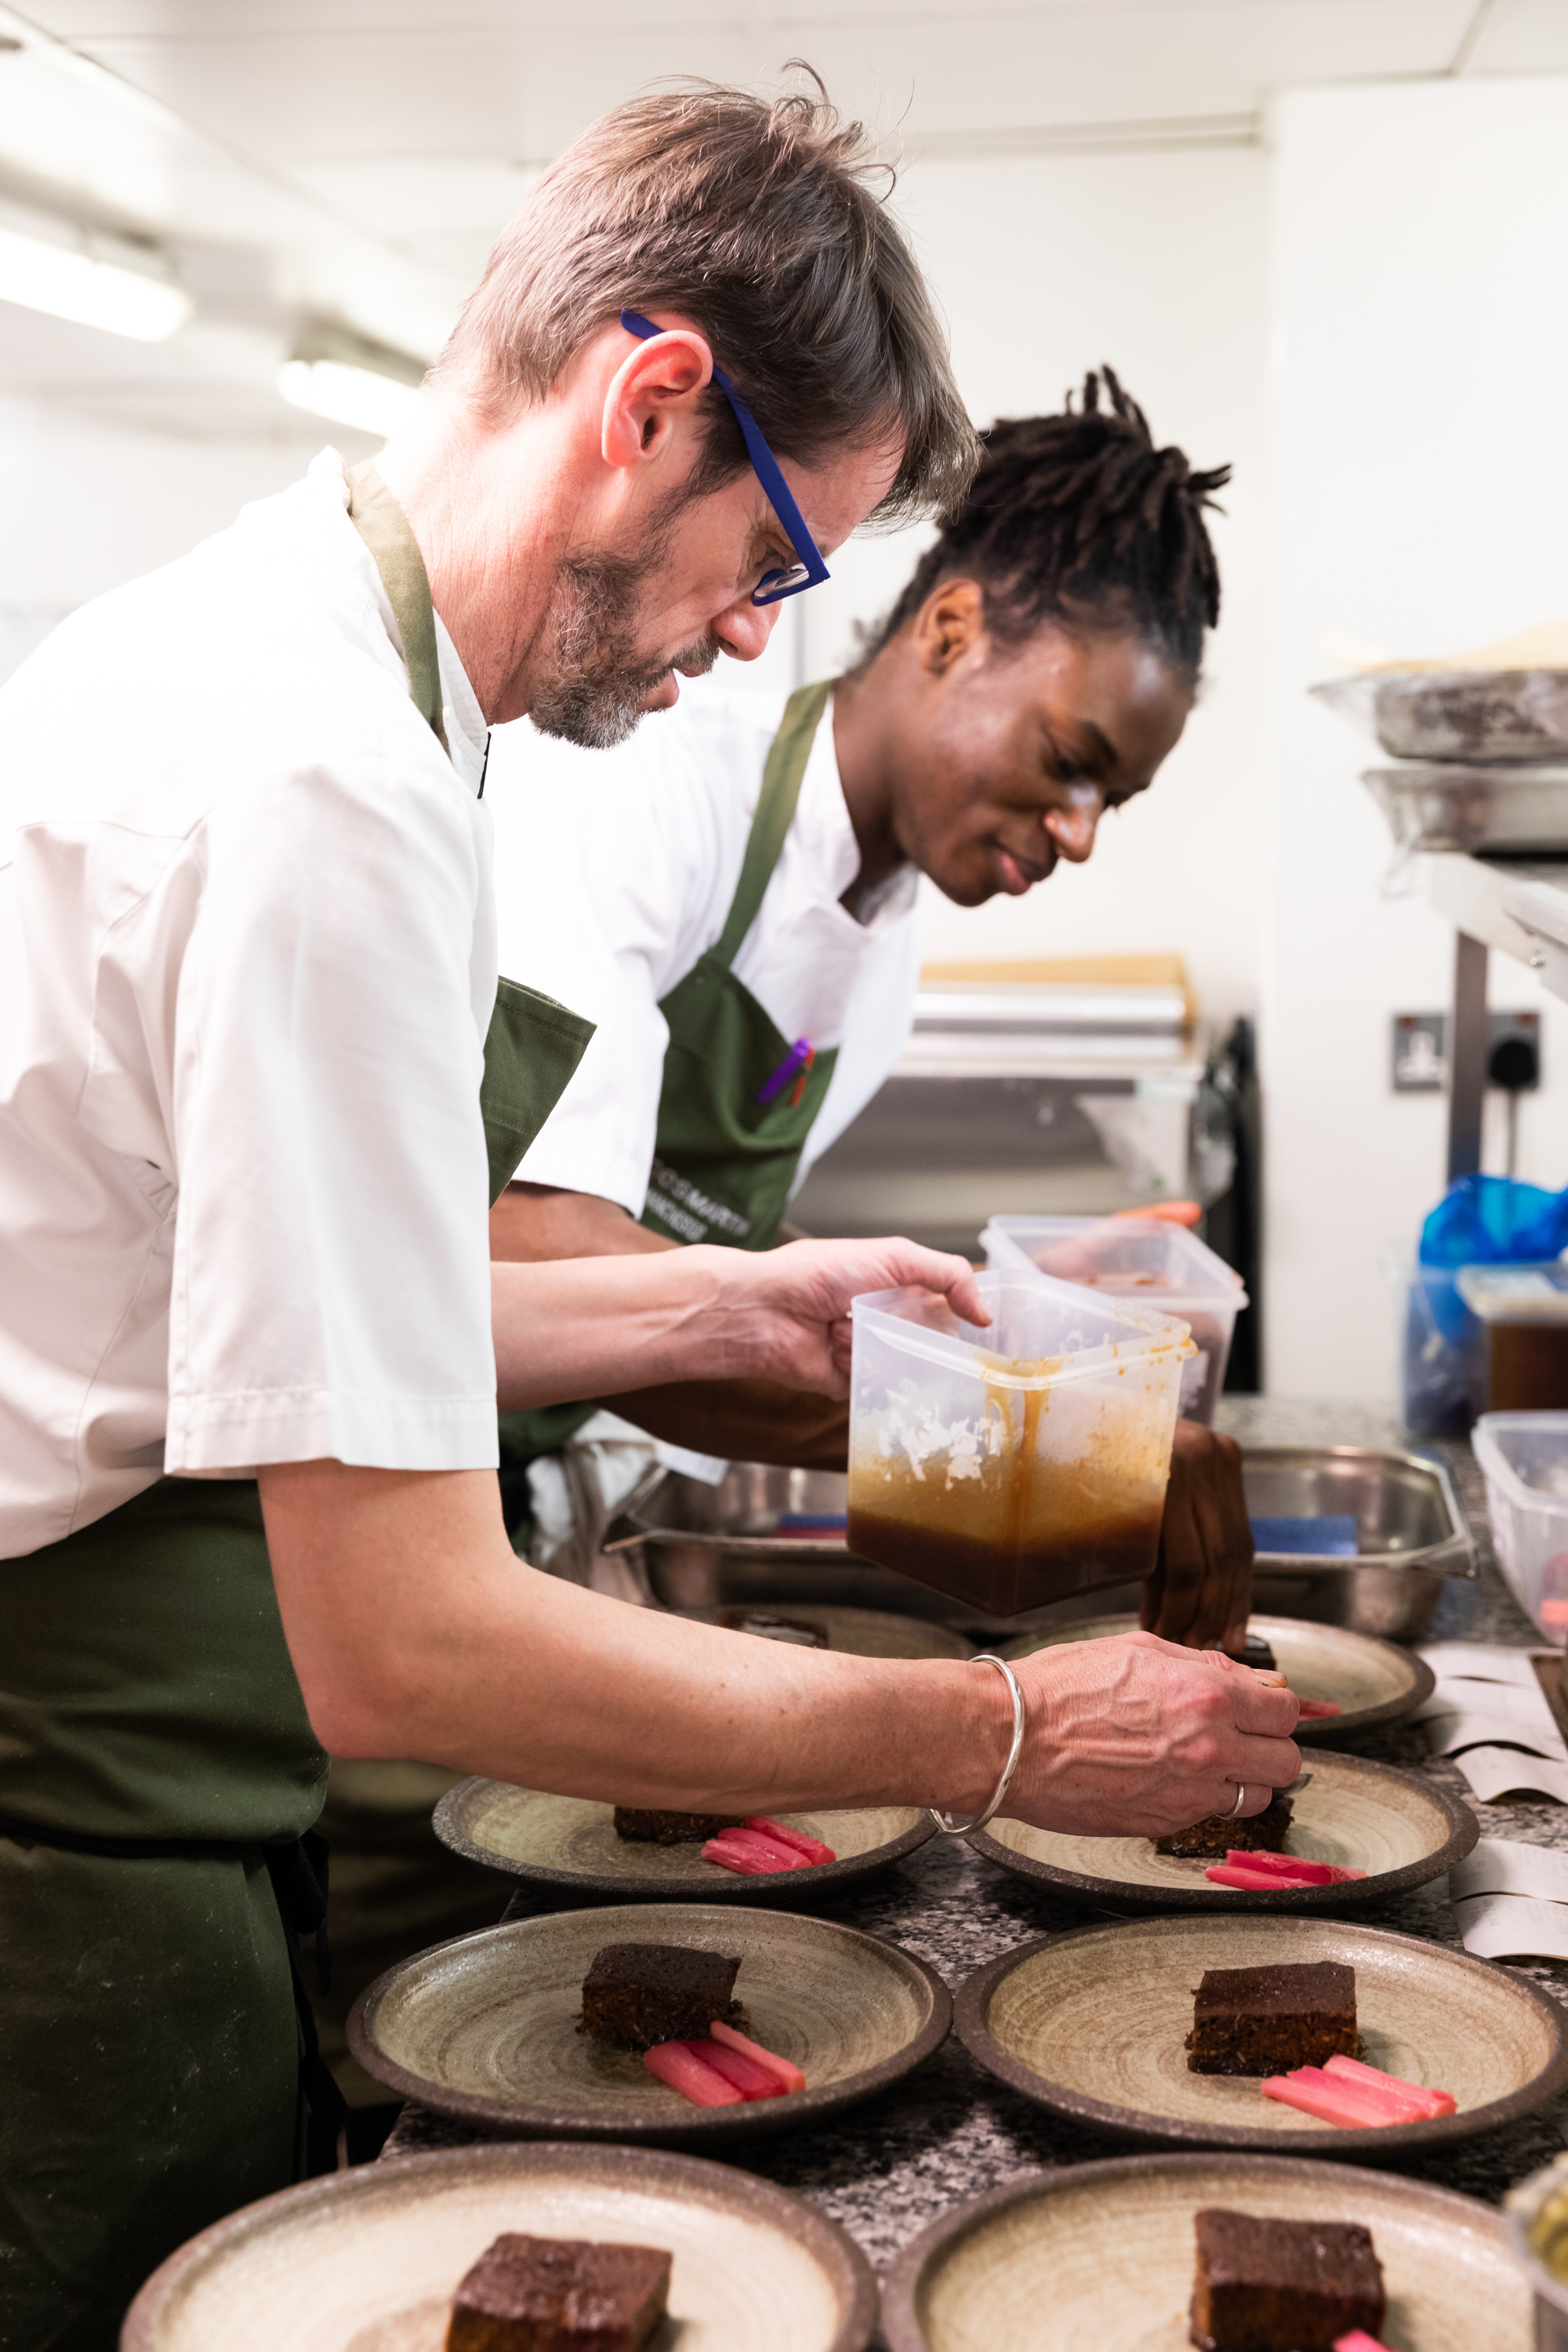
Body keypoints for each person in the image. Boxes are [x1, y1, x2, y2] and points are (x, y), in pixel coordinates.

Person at [0, 81, 1298, 2350]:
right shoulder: (323, 786)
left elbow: (296, 1309)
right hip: (64, 1794)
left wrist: (735, 1296)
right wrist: (992, 1741)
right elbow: (400, 1645)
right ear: (653, 396)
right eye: (779, 563)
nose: (752, 637)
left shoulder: (347, 682)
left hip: (157, 1735)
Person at [484, 379, 1254, 1646]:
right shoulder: (654, 796)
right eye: (1071, 760)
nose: (1079, 833)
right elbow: (539, 1242)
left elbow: (711, 1238)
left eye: (1116, 800)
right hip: (352, 1476)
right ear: (951, 629)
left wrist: (982, 1309)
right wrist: (1007, 1408)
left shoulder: (883, 959)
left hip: (530, 1488)